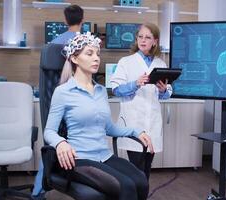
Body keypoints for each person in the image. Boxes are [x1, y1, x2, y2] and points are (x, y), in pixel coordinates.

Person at [44, 31, 153, 200]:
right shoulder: (63, 92)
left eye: (97, 54)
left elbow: (109, 128)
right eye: (89, 53)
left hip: (104, 155)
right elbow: (49, 131)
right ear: (74, 58)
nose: (96, 58)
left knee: (141, 181)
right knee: (126, 186)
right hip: (80, 158)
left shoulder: (101, 91)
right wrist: (60, 143)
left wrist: (136, 132)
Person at [31, 5, 84, 199]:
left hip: (55, 109)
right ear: (82, 20)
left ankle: (39, 190)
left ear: (65, 20)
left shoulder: (52, 44)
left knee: (53, 147)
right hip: (78, 108)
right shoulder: (85, 45)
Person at [110, 22, 172, 180]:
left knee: (146, 168)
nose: (143, 40)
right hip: (133, 121)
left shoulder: (161, 64)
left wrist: (163, 90)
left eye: (148, 37)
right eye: (140, 36)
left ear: (155, 41)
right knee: (136, 168)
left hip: (152, 122)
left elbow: (167, 93)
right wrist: (135, 84)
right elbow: (116, 89)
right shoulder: (126, 62)